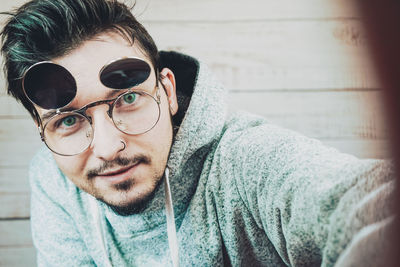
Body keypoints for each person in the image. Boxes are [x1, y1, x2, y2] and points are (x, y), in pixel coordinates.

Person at [0, 0, 396, 266]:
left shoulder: (247, 162)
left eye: (128, 98)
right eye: (67, 120)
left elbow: (372, 205)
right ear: (42, 129)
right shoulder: (55, 180)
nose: (107, 148)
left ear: (168, 91)